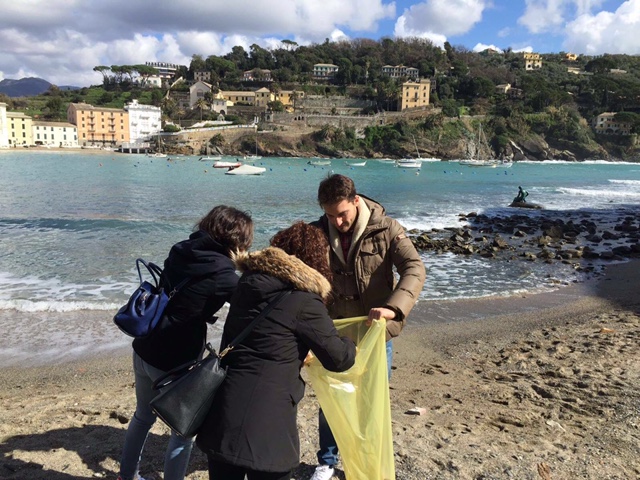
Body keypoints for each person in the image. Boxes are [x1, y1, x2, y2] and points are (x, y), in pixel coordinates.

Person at [196, 221, 357, 480]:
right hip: (268, 422)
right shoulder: (305, 301)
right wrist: (352, 342)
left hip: (223, 410)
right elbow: (338, 359)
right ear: (316, 259)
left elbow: (267, 336)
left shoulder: (247, 283)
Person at [117, 205, 254, 480]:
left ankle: (126, 476)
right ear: (237, 241)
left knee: (142, 417)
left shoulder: (181, 249)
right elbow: (252, 302)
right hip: (175, 359)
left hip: (145, 346)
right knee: (183, 432)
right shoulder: (223, 276)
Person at [309, 174, 426, 480]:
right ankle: (328, 460)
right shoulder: (316, 232)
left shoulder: (387, 229)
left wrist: (393, 307)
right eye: (330, 215)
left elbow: (414, 268)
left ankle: (363, 462)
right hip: (332, 332)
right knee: (332, 397)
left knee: (370, 401)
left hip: (376, 334)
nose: (337, 221)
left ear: (356, 201)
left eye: (342, 213)